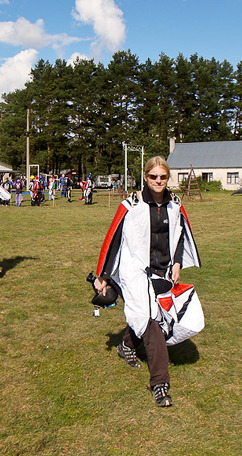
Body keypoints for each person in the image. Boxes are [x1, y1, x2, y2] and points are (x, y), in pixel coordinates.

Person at [93, 156, 201, 407]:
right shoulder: (131, 205)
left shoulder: (175, 204)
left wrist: (176, 262)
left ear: (168, 177)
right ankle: (160, 383)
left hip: (163, 271)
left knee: (155, 317)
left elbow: (179, 234)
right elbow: (114, 241)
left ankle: (127, 344)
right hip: (135, 272)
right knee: (152, 323)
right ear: (145, 177)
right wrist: (104, 277)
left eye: (163, 177)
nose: (158, 181)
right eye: (153, 176)